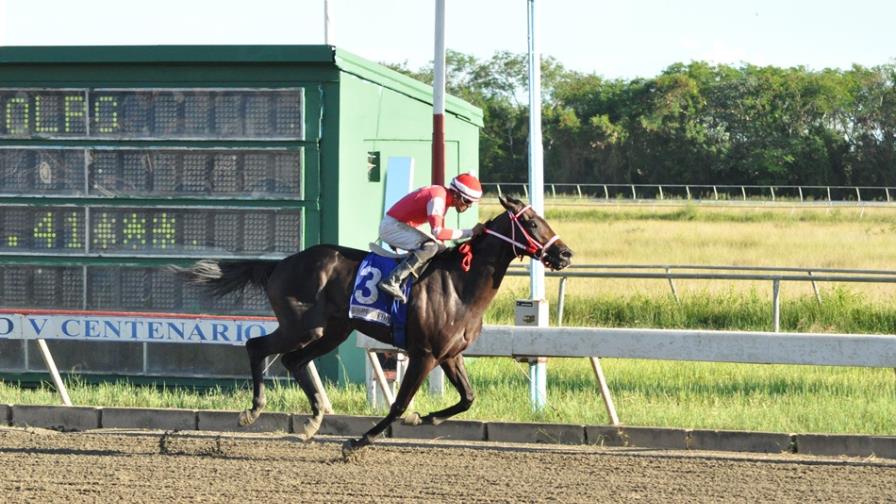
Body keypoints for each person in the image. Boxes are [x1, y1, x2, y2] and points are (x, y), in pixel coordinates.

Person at [377, 172, 485, 303]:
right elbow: (438, 232)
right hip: (392, 227)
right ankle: (392, 280)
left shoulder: (443, 197)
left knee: (440, 247)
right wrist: (470, 232)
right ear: (456, 194)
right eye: (467, 201)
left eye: (471, 203)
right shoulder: (438, 199)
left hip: (399, 225)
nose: (468, 206)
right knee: (430, 247)